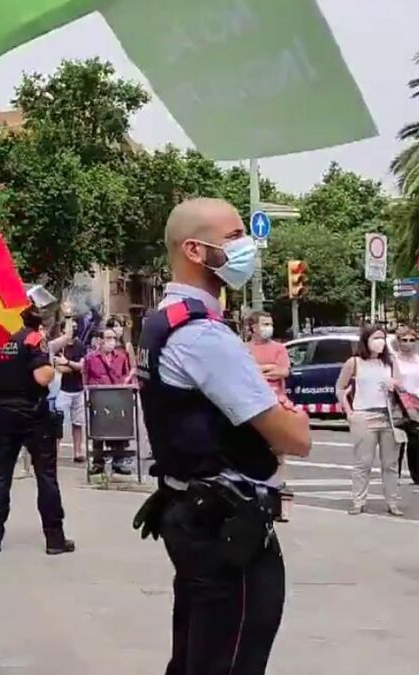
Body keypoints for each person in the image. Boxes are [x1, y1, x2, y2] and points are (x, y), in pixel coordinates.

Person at [132, 198, 311, 675]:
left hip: (192, 511)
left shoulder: (162, 321)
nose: (246, 246)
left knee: (198, 654)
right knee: (230, 660)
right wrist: (292, 420)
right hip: (225, 527)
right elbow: (293, 438)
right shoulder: (202, 335)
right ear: (194, 249)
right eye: (234, 237)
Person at [0, 287, 76, 555]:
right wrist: (52, 365)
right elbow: (42, 377)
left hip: (2, 411)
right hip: (33, 413)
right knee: (46, 476)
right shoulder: (33, 338)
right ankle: (54, 539)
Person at [335, 325, 404, 516]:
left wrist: (394, 384)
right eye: (375, 338)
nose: (380, 342)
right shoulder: (354, 362)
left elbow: (400, 385)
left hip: (389, 416)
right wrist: (349, 411)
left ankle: (392, 502)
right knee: (363, 463)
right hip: (364, 415)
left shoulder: (390, 362)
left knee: (390, 464)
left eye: (382, 338)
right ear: (366, 341)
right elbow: (340, 387)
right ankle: (358, 501)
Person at [244, 311, 294, 521]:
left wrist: (259, 370)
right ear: (253, 327)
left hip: (276, 404)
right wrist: (268, 368)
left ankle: (277, 500)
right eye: (264, 323)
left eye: (270, 323)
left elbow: (283, 371)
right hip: (251, 407)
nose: (268, 327)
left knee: (278, 453)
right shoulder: (244, 349)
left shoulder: (279, 348)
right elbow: (244, 372)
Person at [82, 327, 135, 475]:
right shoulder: (90, 358)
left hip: (117, 398)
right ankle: (98, 463)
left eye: (114, 338)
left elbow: (127, 373)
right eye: (108, 338)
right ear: (100, 340)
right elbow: (85, 378)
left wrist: (126, 382)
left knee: (118, 430)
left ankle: (119, 462)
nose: (112, 342)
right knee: (98, 431)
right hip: (99, 400)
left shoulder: (121, 356)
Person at [52, 317, 87, 463]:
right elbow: (59, 368)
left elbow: (82, 366)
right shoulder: (59, 346)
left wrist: (67, 362)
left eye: (74, 327)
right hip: (63, 390)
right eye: (70, 327)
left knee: (78, 423)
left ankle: (78, 451)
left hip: (78, 389)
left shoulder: (80, 345)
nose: (73, 330)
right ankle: (55, 452)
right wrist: (73, 366)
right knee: (57, 421)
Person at [392, 324, 419, 485]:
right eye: (405, 340)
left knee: (415, 441)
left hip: (416, 404)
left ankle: (416, 474)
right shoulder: (394, 360)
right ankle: (394, 474)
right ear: (399, 341)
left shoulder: (418, 360)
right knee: (398, 441)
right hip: (399, 404)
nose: (408, 343)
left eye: (412, 340)